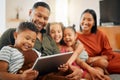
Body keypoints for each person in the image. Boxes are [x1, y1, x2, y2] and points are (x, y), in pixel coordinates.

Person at [0, 2, 82, 80]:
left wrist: (74, 69)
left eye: (45, 18)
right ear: (30, 12)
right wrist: (20, 77)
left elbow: (59, 61)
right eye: (39, 16)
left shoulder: (49, 37)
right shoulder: (13, 33)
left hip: (50, 75)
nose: (42, 20)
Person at [77, 9, 120, 75]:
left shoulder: (101, 34)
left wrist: (94, 59)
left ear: (94, 23)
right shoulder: (75, 36)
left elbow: (109, 54)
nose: (85, 22)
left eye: (89, 20)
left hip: (107, 58)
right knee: (105, 64)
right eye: (83, 19)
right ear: (80, 20)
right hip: (91, 63)